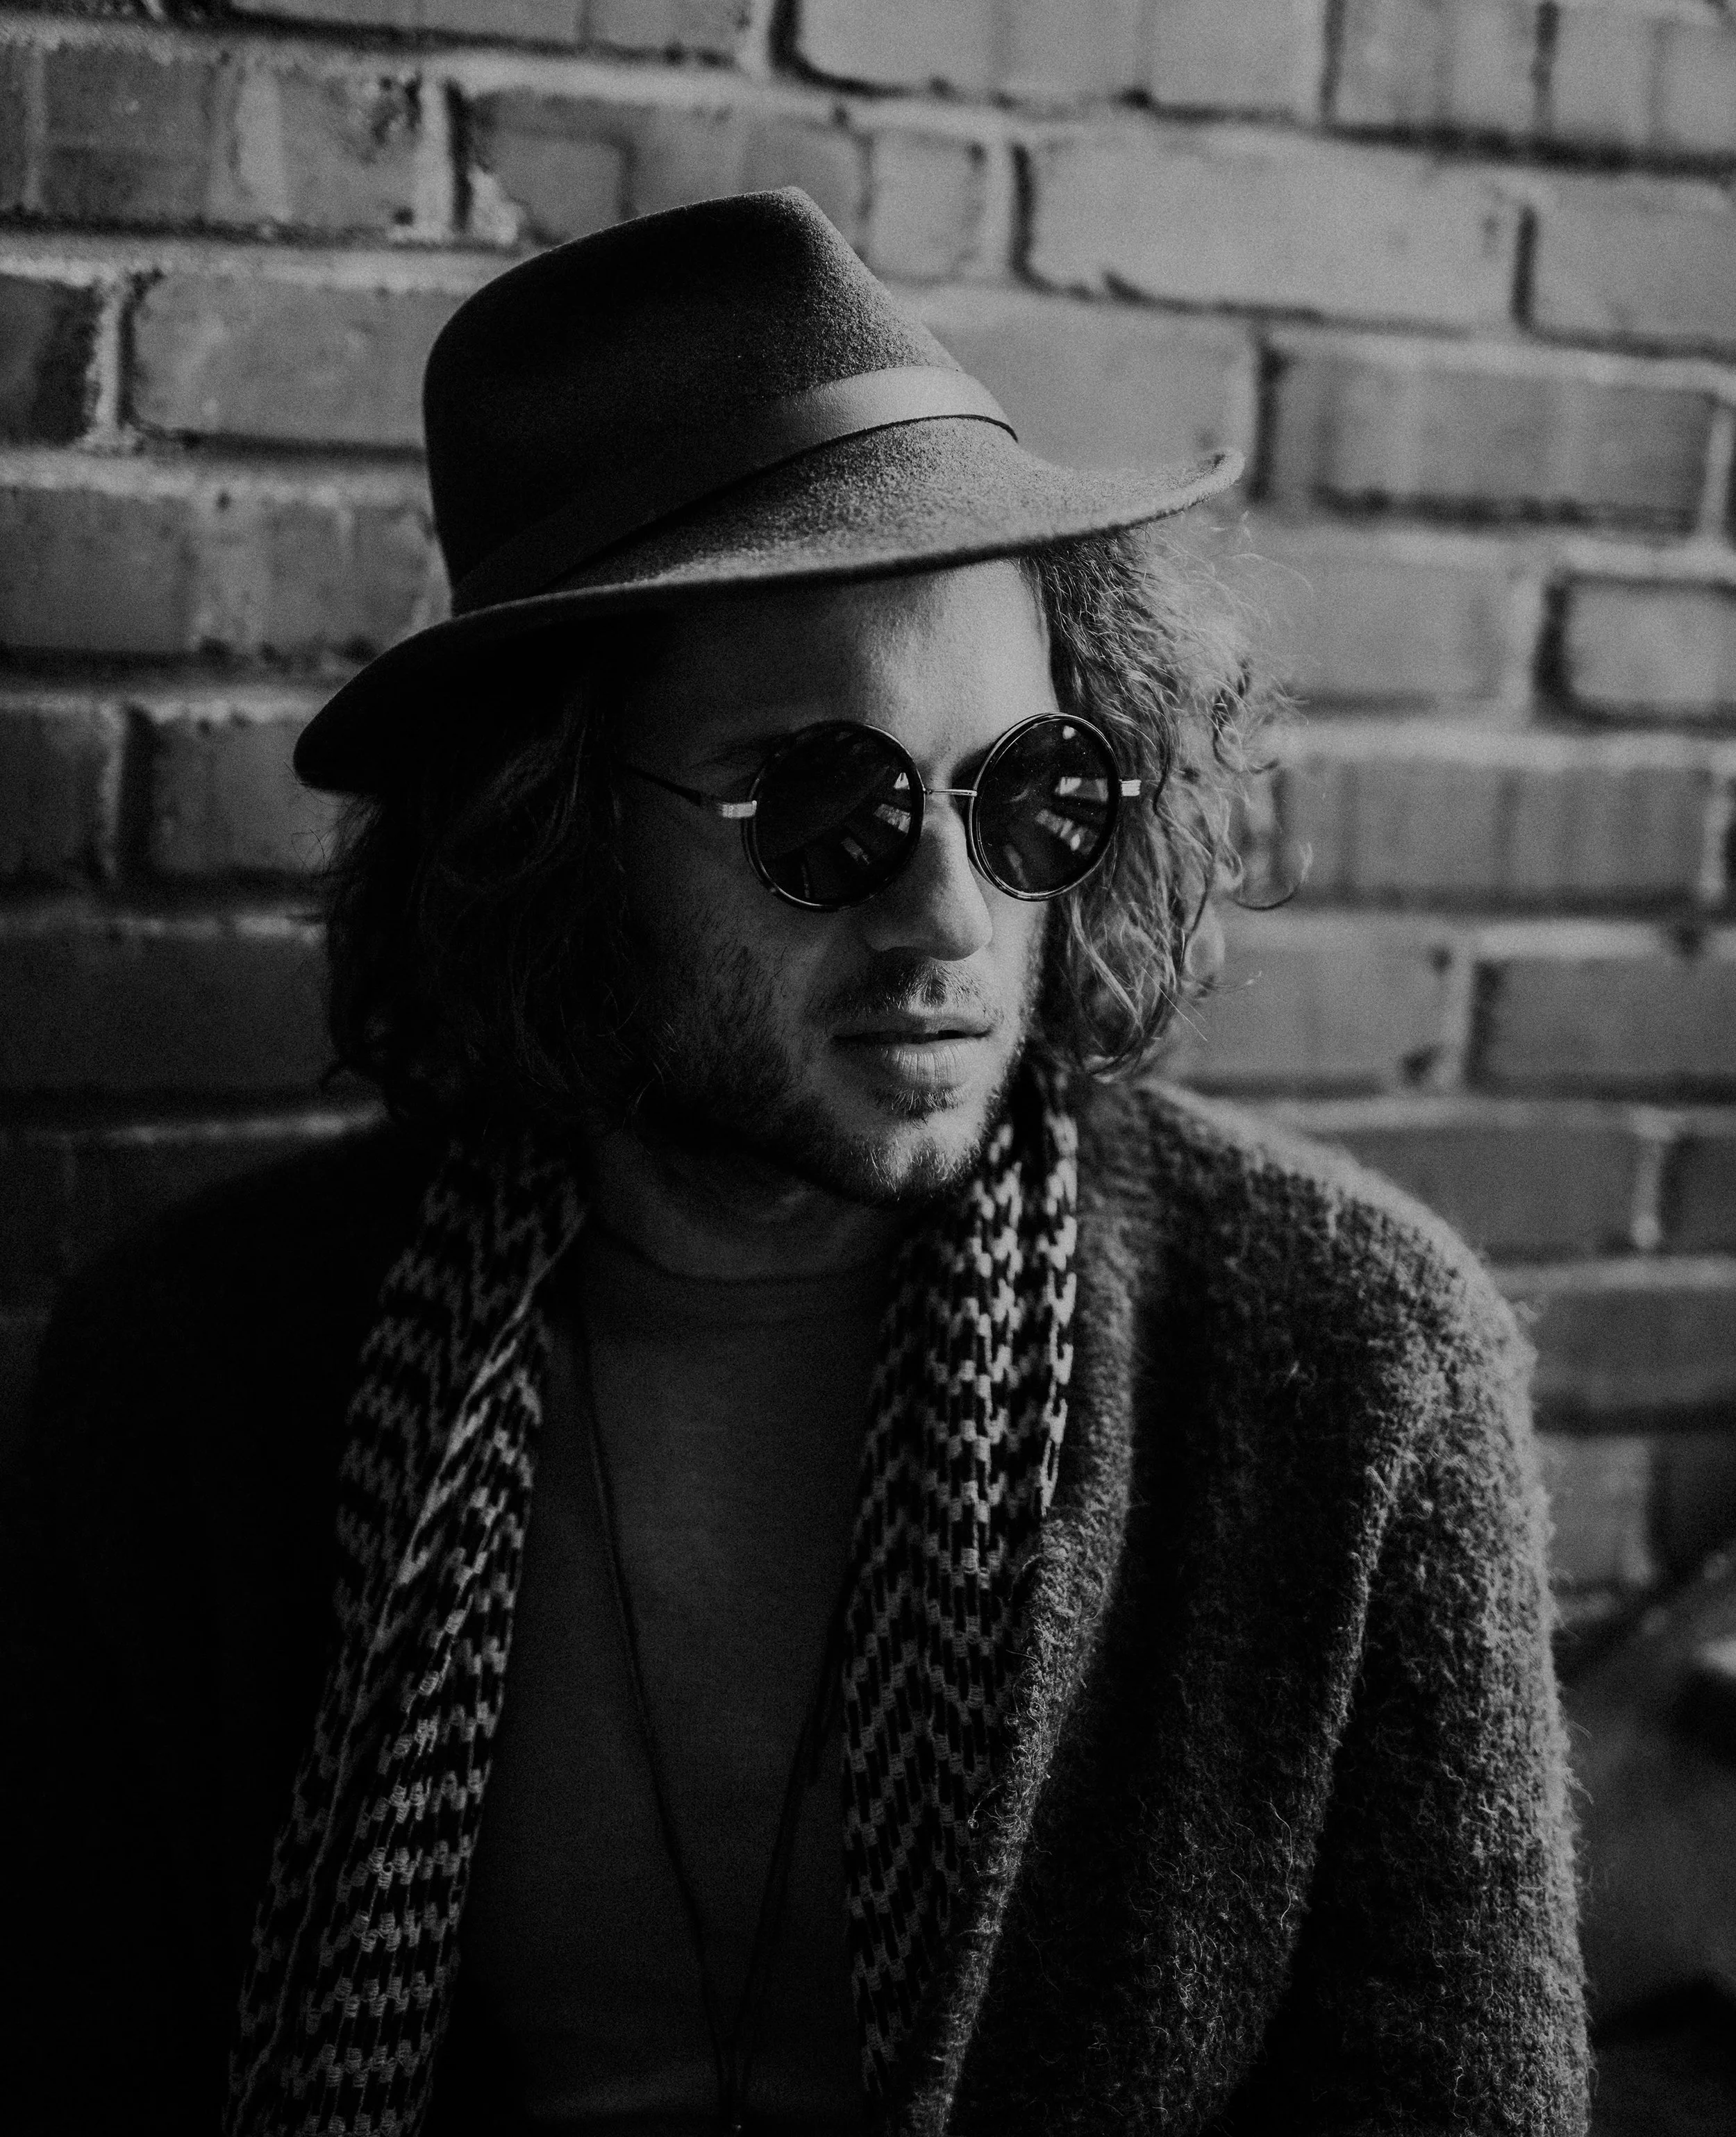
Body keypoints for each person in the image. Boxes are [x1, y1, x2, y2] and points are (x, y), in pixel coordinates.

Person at [6, 190, 1587, 2136]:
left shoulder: (1340, 1367)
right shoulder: (204, 1378)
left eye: (1028, 792)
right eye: (823, 806)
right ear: (550, 827)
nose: (951, 919)